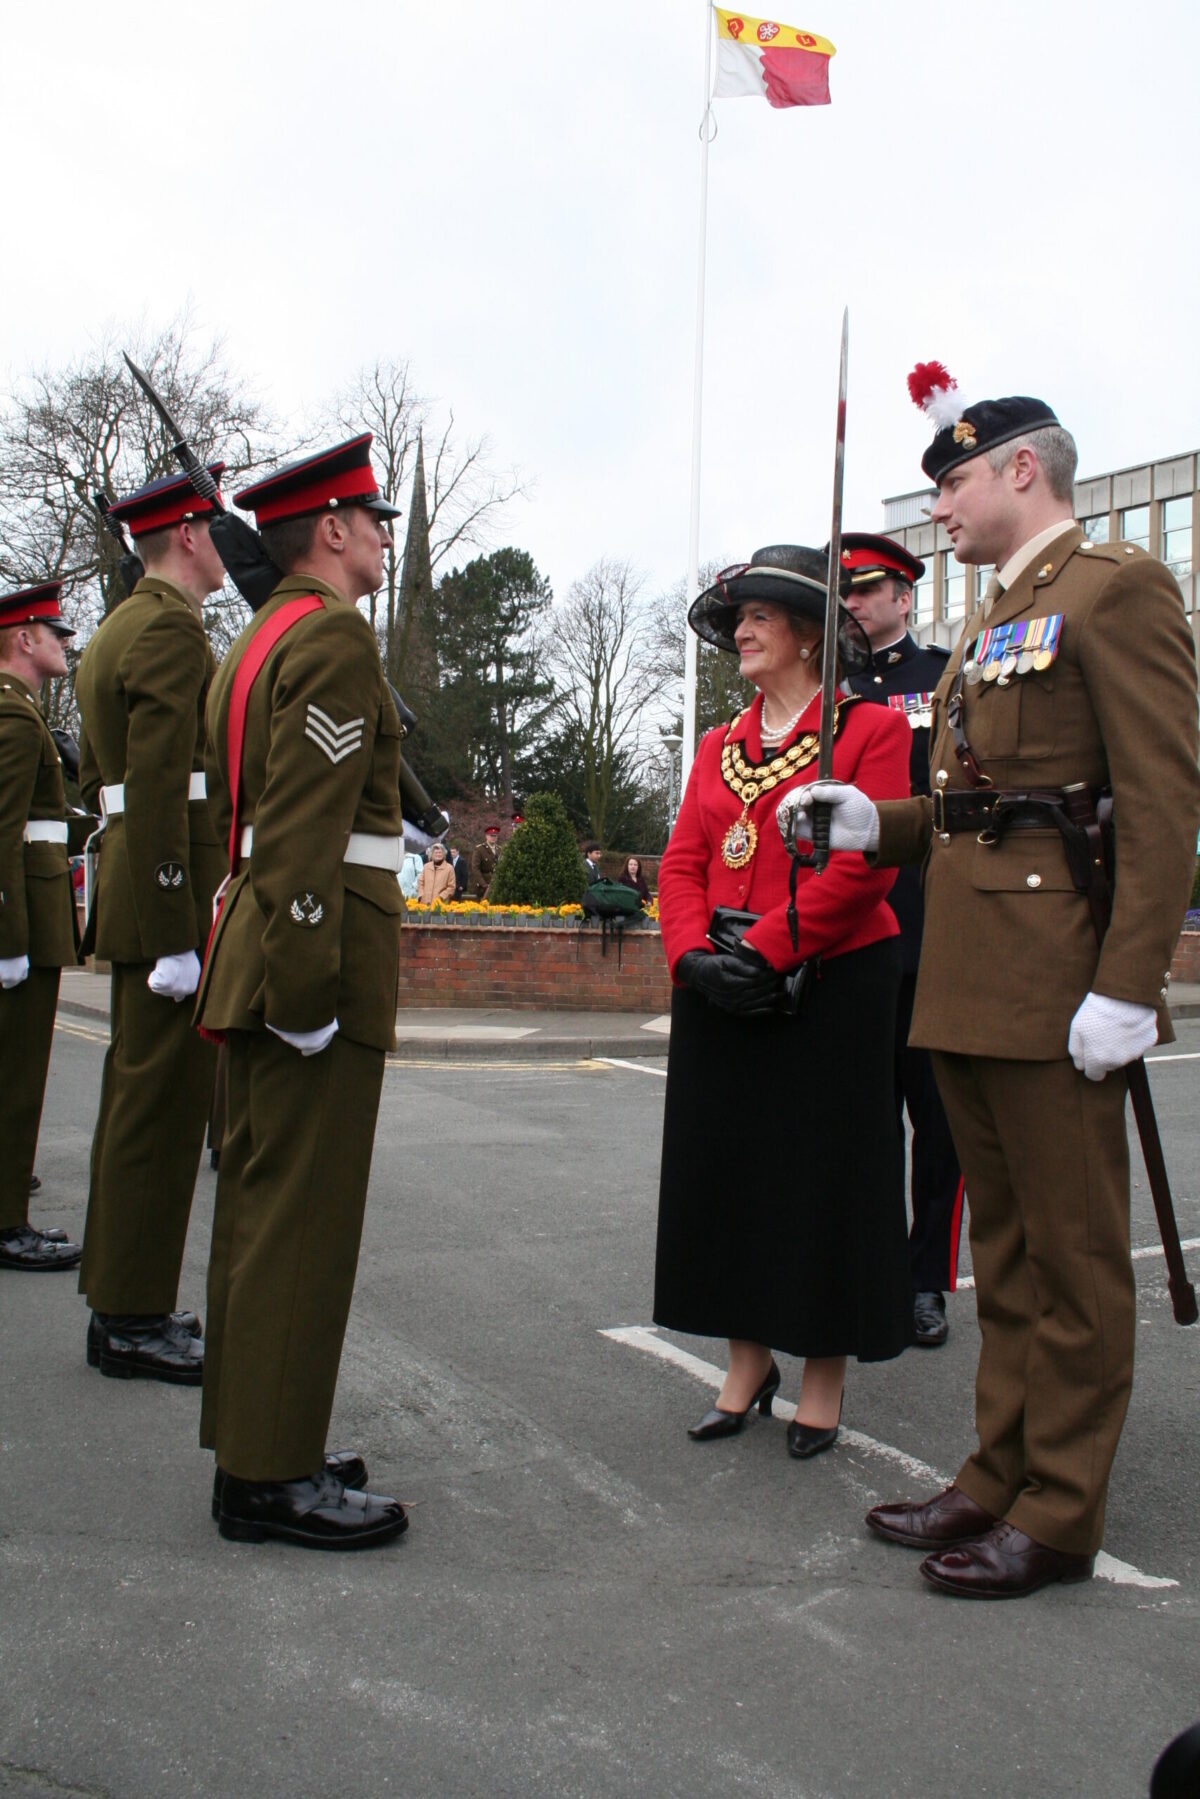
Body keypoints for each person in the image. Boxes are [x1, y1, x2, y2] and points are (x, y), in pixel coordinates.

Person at [790, 367, 1200, 1597]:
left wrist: (1130, 979)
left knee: (1073, 1261)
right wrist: (877, 821)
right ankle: (997, 1471)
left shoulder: (1116, 589)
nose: (942, 508)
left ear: (1025, 468)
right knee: (1007, 1256)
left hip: (1059, 984)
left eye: (955, 480)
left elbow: (1166, 795)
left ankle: (1061, 1511)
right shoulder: (989, 616)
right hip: (969, 979)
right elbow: (982, 809)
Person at [194, 432, 409, 1550]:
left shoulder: (255, 641)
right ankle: (267, 1476)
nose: (382, 536)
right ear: (331, 527)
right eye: (376, 519)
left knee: (260, 1207)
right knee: (299, 1220)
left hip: (259, 947)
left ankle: (257, 1434)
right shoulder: (330, 642)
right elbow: (304, 834)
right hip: (304, 959)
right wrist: (309, 983)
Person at [653, 545, 914, 1459]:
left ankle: (822, 1378)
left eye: (761, 615)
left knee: (821, 1181)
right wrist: (691, 956)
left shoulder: (872, 730)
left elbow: (860, 868)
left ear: (809, 632)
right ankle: (746, 1361)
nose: (743, 631)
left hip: (833, 981)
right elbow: (683, 861)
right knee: (729, 1175)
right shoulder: (720, 745)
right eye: (737, 620)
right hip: (722, 982)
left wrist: (766, 949)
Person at [75, 468, 229, 1381]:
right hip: (164, 890)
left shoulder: (117, 628)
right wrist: (179, 920)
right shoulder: (169, 625)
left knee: (137, 1103)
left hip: (136, 881)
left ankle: (118, 1300)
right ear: (184, 534)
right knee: (160, 1112)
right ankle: (132, 1314)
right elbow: (165, 780)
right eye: (213, 528)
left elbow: (114, 777)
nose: (223, 544)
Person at [839, 532, 963, 1348]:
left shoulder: (944, 678)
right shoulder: (831, 688)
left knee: (939, 1126)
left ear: (905, 596)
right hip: (853, 931)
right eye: (845, 591)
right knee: (864, 1120)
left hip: (932, 929)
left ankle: (926, 1283)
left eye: (868, 589)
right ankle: (876, 1268)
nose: (852, 602)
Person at [0, 583, 83, 1272]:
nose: (65, 641)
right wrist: (10, 941)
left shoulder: (22, 713)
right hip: (21, 922)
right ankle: (5, 1223)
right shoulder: (13, 717)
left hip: (33, 912)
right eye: (53, 631)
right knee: (15, 1078)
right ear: (23, 639)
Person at [416, 840, 456, 905]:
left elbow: (451, 887)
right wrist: (421, 895)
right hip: (424, 904)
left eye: (440, 852)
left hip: (440, 905)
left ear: (444, 854)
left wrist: (441, 897)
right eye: (436, 853)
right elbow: (420, 882)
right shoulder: (426, 867)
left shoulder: (449, 868)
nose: (438, 854)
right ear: (432, 854)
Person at [469, 825, 500, 899]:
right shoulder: (479, 849)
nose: (493, 837)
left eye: (495, 836)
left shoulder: (500, 849)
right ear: (486, 836)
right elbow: (475, 868)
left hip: (497, 885)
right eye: (491, 835)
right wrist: (483, 884)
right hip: (483, 886)